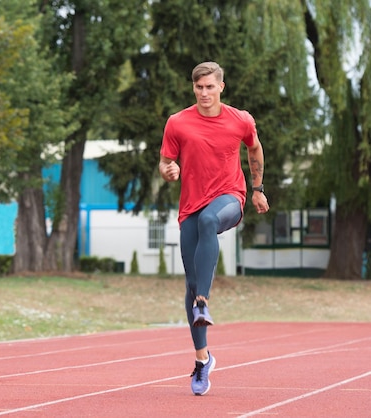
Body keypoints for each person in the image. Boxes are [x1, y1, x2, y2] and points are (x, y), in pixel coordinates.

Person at [158, 61, 269, 396]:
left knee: (209, 222)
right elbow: (166, 160)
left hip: (228, 200)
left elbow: (255, 147)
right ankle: (202, 359)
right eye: (198, 87)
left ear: (222, 86)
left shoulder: (241, 119)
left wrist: (258, 188)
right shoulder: (177, 122)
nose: (204, 93)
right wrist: (168, 170)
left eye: (210, 87)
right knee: (190, 285)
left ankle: (204, 303)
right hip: (190, 205)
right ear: (193, 88)